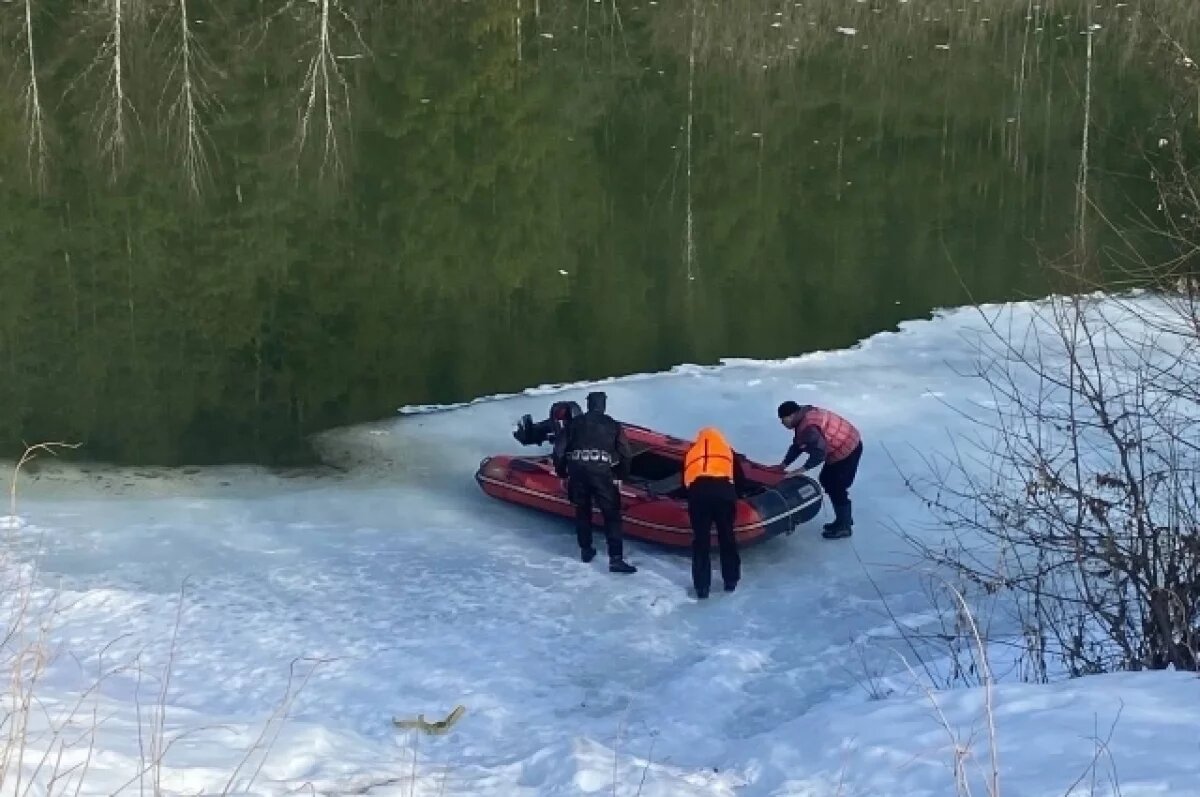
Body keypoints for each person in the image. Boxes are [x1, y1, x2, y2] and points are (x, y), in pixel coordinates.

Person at [555, 391, 637, 573]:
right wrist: (621, 476)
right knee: (612, 515)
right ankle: (615, 559)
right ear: (603, 405)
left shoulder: (573, 424)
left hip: (577, 470)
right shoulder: (613, 425)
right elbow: (625, 452)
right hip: (601, 472)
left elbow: (559, 451)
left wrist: (562, 472)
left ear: (588, 405)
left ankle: (586, 550)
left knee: (582, 511)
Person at [775, 400, 863, 539]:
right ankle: (843, 520)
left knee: (835, 485)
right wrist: (784, 464)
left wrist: (801, 469)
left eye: (783, 419)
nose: (782, 423)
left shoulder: (808, 427)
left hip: (848, 448)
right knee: (827, 480)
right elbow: (799, 445)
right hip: (847, 441)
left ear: (791, 415)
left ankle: (844, 526)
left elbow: (819, 453)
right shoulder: (805, 417)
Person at [682, 426, 748, 599]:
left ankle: (702, 587)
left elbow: (686, 479)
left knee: (701, 542)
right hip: (724, 495)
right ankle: (731, 580)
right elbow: (740, 479)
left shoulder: (692, 452)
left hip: (699, 496)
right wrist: (737, 495)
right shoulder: (726, 450)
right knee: (727, 537)